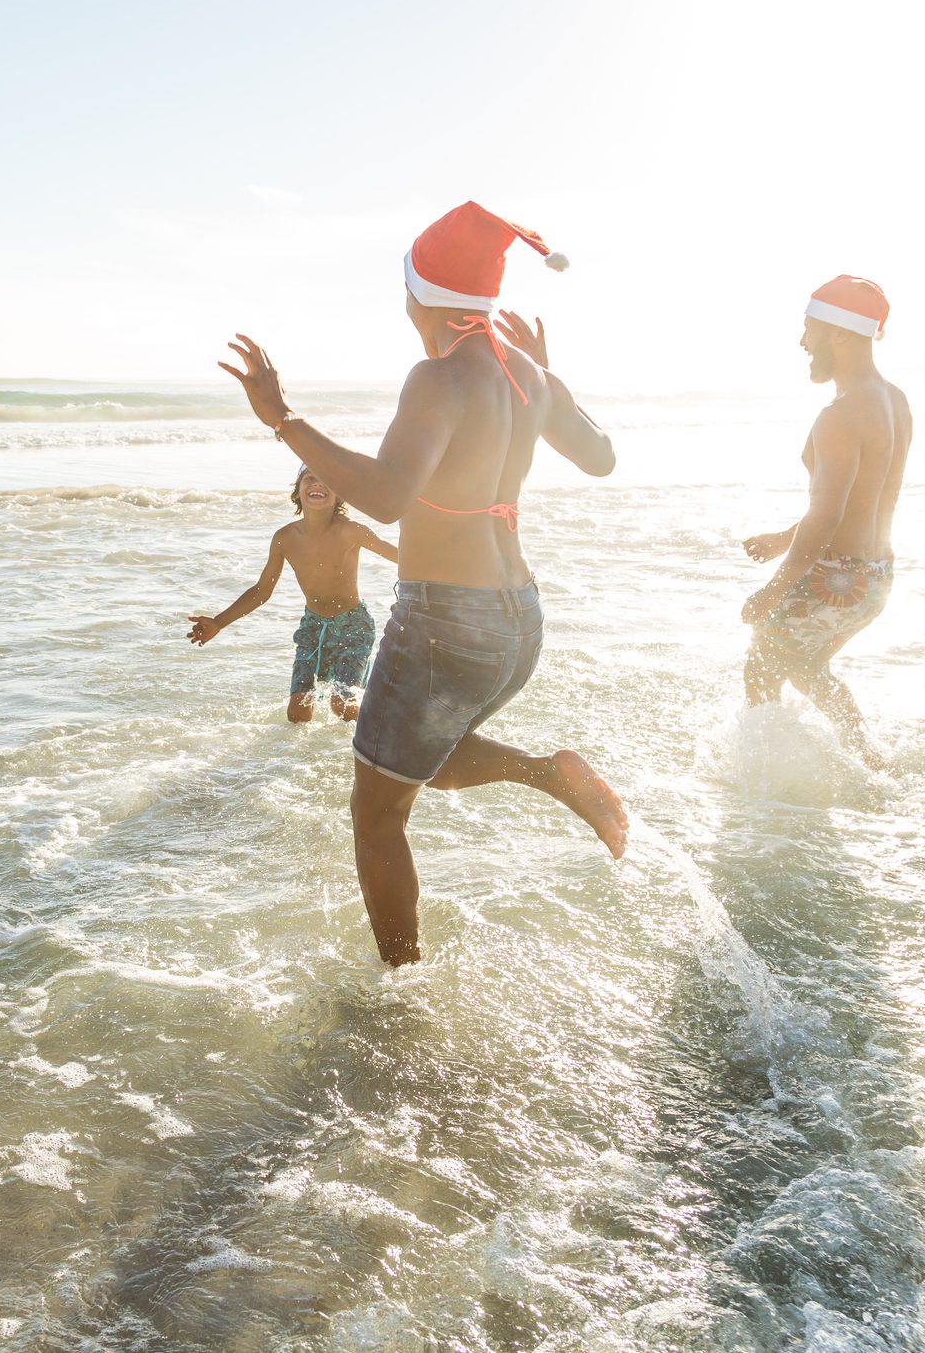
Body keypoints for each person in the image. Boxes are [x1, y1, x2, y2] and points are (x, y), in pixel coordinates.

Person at [218, 201, 629, 966]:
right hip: (517, 622)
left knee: (377, 812)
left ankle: (395, 992)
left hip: (445, 622)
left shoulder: (437, 377)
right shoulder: (526, 375)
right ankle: (548, 774)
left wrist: (282, 419)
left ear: (423, 297)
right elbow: (601, 457)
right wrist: (550, 379)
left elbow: (384, 496)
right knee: (425, 759)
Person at [741, 275, 912, 768]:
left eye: (809, 327)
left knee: (762, 667)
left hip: (836, 577)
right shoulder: (893, 400)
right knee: (807, 666)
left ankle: (766, 787)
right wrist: (783, 539)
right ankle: (872, 763)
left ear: (839, 332)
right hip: (874, 577)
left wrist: (773, 589)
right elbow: (855, 500)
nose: (802, 342)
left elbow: (828, 514)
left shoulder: (839, 415)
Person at [187, 466, 398, 722]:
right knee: (297, 711)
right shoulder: (284, 538)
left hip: (354, 626)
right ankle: (303, 760)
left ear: (339, 495)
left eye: (326, 479)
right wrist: (218, 622)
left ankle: (372, 739)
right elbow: (261, 591)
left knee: (341, 704)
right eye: (309, 478)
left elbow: (399, 557)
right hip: (312, 627)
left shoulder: (351, 531)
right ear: (298, 490)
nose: (317, 483)